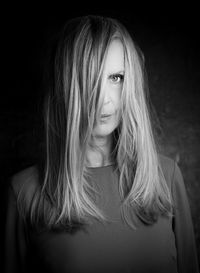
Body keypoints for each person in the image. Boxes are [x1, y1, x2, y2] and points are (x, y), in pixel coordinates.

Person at [4, 15, 199, 273]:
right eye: (89, 78)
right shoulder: (24, 193)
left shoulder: (166, 178)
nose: (103, 100)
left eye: (116, 77)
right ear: (66, 86)